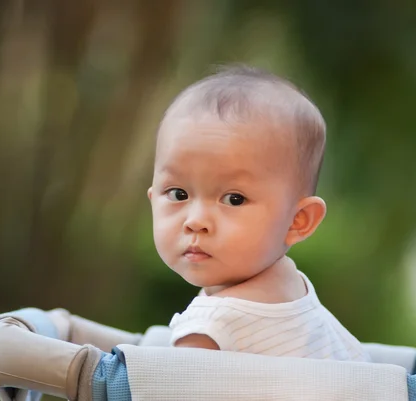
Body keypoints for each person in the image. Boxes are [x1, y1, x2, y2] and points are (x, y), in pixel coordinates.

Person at [147, 65, 369, 361]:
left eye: (234, 199)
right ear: (152, 199)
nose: (196, 221)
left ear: (298, 220)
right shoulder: (294, 289)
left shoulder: (209, 330)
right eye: (178, 194)